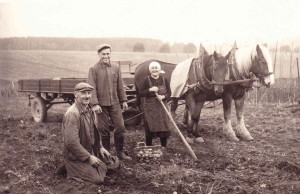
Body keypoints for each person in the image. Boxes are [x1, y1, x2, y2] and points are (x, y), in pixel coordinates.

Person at [62, 82, 119, 184]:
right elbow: (71, 142)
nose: (87, 96)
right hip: (76, 156)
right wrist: (88, 157)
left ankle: (94, 166)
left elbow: (95, 132)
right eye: (84, 93)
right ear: (76, 94)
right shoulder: (72, 114)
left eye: (89, 93)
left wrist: (100, 147)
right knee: (98, 179)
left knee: (113, 162)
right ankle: (69, 168)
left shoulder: (89, 110)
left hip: (91, 150)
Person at [88, 43, 132, 160]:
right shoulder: (93, 69)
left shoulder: (116, 67)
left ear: (110, 53)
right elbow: (91, 87)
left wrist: (123, 100)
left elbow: (120, 85)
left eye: (108, 53)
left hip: (115, 102)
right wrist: (95, 104)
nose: (106, 56)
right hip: (101, 105)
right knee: (103, 129)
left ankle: (120, 152)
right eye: (103, 54)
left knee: (120, 127)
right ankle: (106, 153)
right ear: (99, 54)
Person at [138, 61, 172, 147]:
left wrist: (163, 97)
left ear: (159, 69)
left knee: (163, 126)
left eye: (156, 68)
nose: (154, 70)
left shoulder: (165, 80)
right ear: (150, 70)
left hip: (162, 108)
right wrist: (150, 90)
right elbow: (140, 93)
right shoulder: (146, 80)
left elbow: (169, 93)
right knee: (150, 127)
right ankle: (149, 147)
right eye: (152, 68)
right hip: (150, 108)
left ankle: (163, 147)